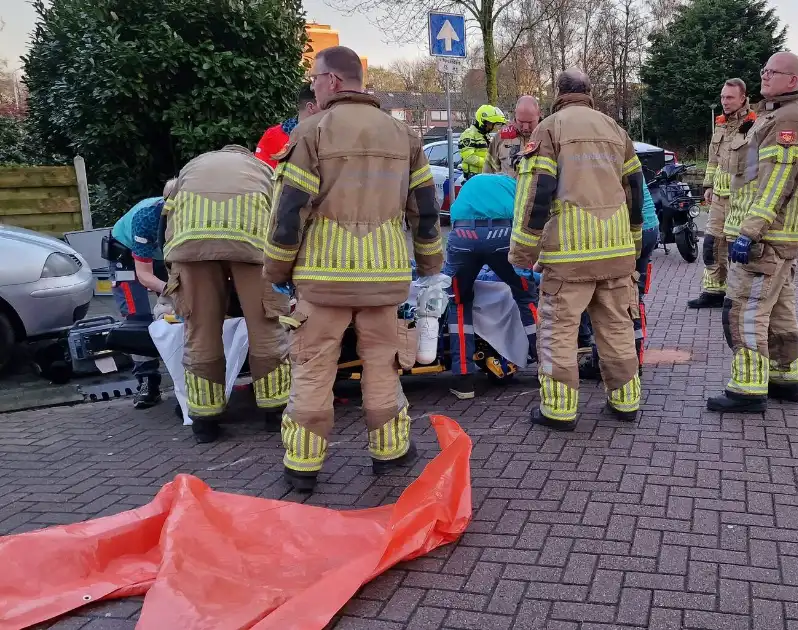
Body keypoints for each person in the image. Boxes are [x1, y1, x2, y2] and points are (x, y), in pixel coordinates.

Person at [264, 46, 443, 493]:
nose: (313, 86)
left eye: (315, 79)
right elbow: (424, 210)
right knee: (383, 365)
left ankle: (302, 467)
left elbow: (289, 211)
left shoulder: (311, 133)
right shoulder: (404, 137)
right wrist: (429, 265)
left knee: (313, 369)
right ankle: (391, 452)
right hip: (384, 279)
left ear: (334, 81)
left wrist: (277, 270)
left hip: (323, 280)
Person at [510, 70, 645, 430]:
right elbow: (634, 189)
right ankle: (626, 402)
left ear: (558, 93)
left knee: (559, 331)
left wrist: (522, 252)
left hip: (569, 256)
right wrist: (634, 242)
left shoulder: (550, 129)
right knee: (616, 327)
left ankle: (559, 410)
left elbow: (536, 192)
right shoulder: (616, 130)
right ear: (589, 93)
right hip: (616, 251)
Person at [160, 145, 290, 442]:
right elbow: (282, 218)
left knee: (200, 330)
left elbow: (166, 218)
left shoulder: (192, 166)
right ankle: (274, 411)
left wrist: (172, 266)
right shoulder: (263, 170)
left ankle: (205, 421)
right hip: (252, 245)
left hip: (190, 246)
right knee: (265, 324)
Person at [707, 51, 798, 413]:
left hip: (764, 238)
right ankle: (786, 378)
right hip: (777, 237)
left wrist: (749, 232)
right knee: (781, 310)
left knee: (744, 311)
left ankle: (747, 388)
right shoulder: (775, 115)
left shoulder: (786, 119)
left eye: (775, 72)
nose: (766, 76)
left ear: (793, 81)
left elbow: (777, 182)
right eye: (764, 70)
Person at [444, 173, 538, 399]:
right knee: (526, 298)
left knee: (457, 301)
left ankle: (464, 379)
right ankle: (547, 366)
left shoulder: (472, 184)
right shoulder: (515, 185)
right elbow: (529, 221)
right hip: (502, 236)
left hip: (462, 235)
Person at [578, 171, 659, 376]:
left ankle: (601, 361)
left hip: (626, 231)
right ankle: (636, 358)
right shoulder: (620, 150)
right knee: (634, 295)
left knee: (604, 297)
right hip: (648, 226)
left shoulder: (595, 157)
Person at [688, 78, 756, 309]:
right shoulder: (720, 125)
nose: (724, 102)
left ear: (743, 98)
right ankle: (713, 291)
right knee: (711, 245)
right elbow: (713, 160)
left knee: (735, 249)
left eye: (729, 98)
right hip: (718, 197)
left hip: (741, 199)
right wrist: (708, 186)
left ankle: (736, 295)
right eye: (722, 97)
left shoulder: (754, 125)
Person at [106, 181, 175, 408]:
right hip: (127, 256)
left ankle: (184, 370)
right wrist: (173, 289)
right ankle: (147, 381)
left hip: (162, 256)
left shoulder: (196, 216)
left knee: (175, 311)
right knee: (137, 316)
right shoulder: (147, 217)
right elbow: (144, 275)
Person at [255, 84, 319, 169]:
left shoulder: (331, 136)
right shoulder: (274, 135)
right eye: (327, 105)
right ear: (311, 107)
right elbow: (261, 174)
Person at [484, 95, 541, 178]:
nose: (525, 128)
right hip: (508, 190)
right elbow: (488, 171)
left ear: (539, 114)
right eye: (521, 122)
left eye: (530, 122)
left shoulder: (548, 136)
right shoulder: (501, 137)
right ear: (515, 114)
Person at [459, 104, 507, 178]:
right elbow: (468, 157)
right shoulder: (469, 134)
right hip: (473, 178)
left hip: (485, 176)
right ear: (483, 122)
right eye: (491, 123)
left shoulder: (485, 135)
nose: (492, 127)